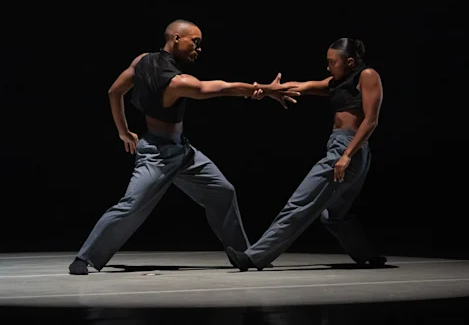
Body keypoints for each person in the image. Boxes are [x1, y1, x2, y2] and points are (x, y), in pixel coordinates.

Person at [69, 19, 299, 275]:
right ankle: (84, 257)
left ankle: (244, 255)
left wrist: (124, 131)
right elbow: (222, 88)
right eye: (195, 43)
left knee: (223, 191)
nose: (198, 49)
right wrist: (266, 90)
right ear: (176, 38)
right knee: (132, 204)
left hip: (184, 153)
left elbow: (114, 91)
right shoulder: (177, 81)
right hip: (156, 154)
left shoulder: (142, 60)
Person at [227, 38, 387, 271]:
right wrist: (264, 89)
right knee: (334, 214)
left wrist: (347, 155)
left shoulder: (367, 75)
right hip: (348, 151)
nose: (328, 67)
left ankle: (254, 257)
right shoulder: (334, 82)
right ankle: (367, 255)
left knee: (300, 203)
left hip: (347, 150)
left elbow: (371, 121)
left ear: (350, 61)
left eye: (333, 62)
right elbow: (301, 86)